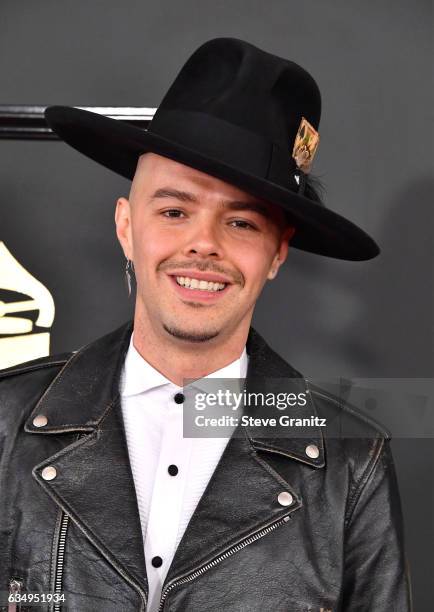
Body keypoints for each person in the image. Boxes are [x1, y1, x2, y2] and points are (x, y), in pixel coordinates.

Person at [0, 38, 411, 611]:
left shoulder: (352, 457)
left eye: (241, 223)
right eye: (173, 211)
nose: (204, 245)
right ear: (126, 225)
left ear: (276, 253)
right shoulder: (4, 421)